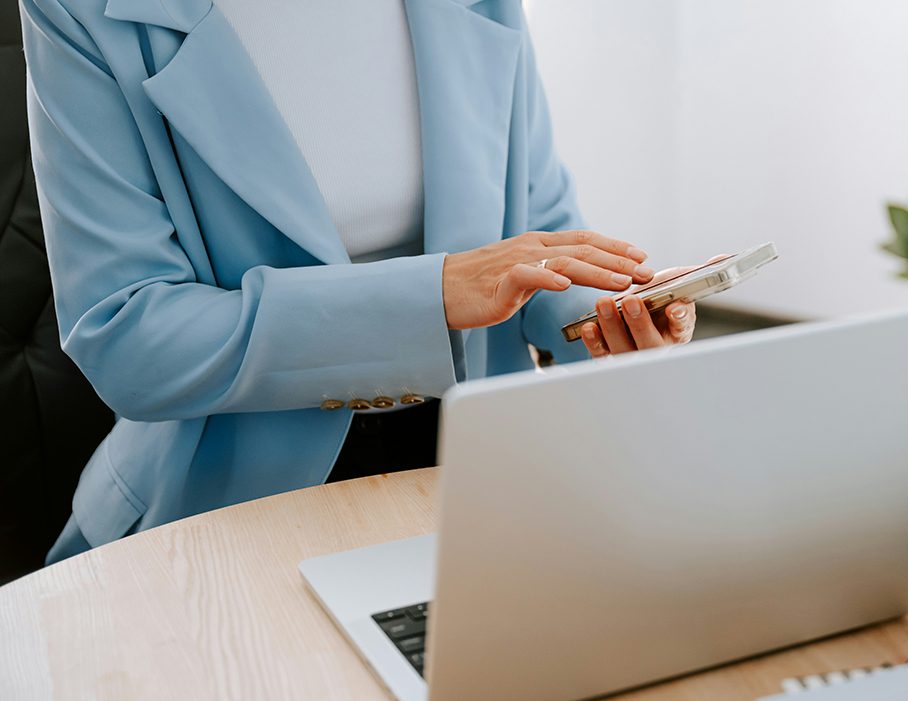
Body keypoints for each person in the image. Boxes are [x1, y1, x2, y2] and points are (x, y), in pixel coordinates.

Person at [20, 0, 698, 564]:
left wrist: (611, 312)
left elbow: (539, 222)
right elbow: (128, 334)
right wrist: (431, 297)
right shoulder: (81, 11)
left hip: (484, 483)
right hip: (223, 514)